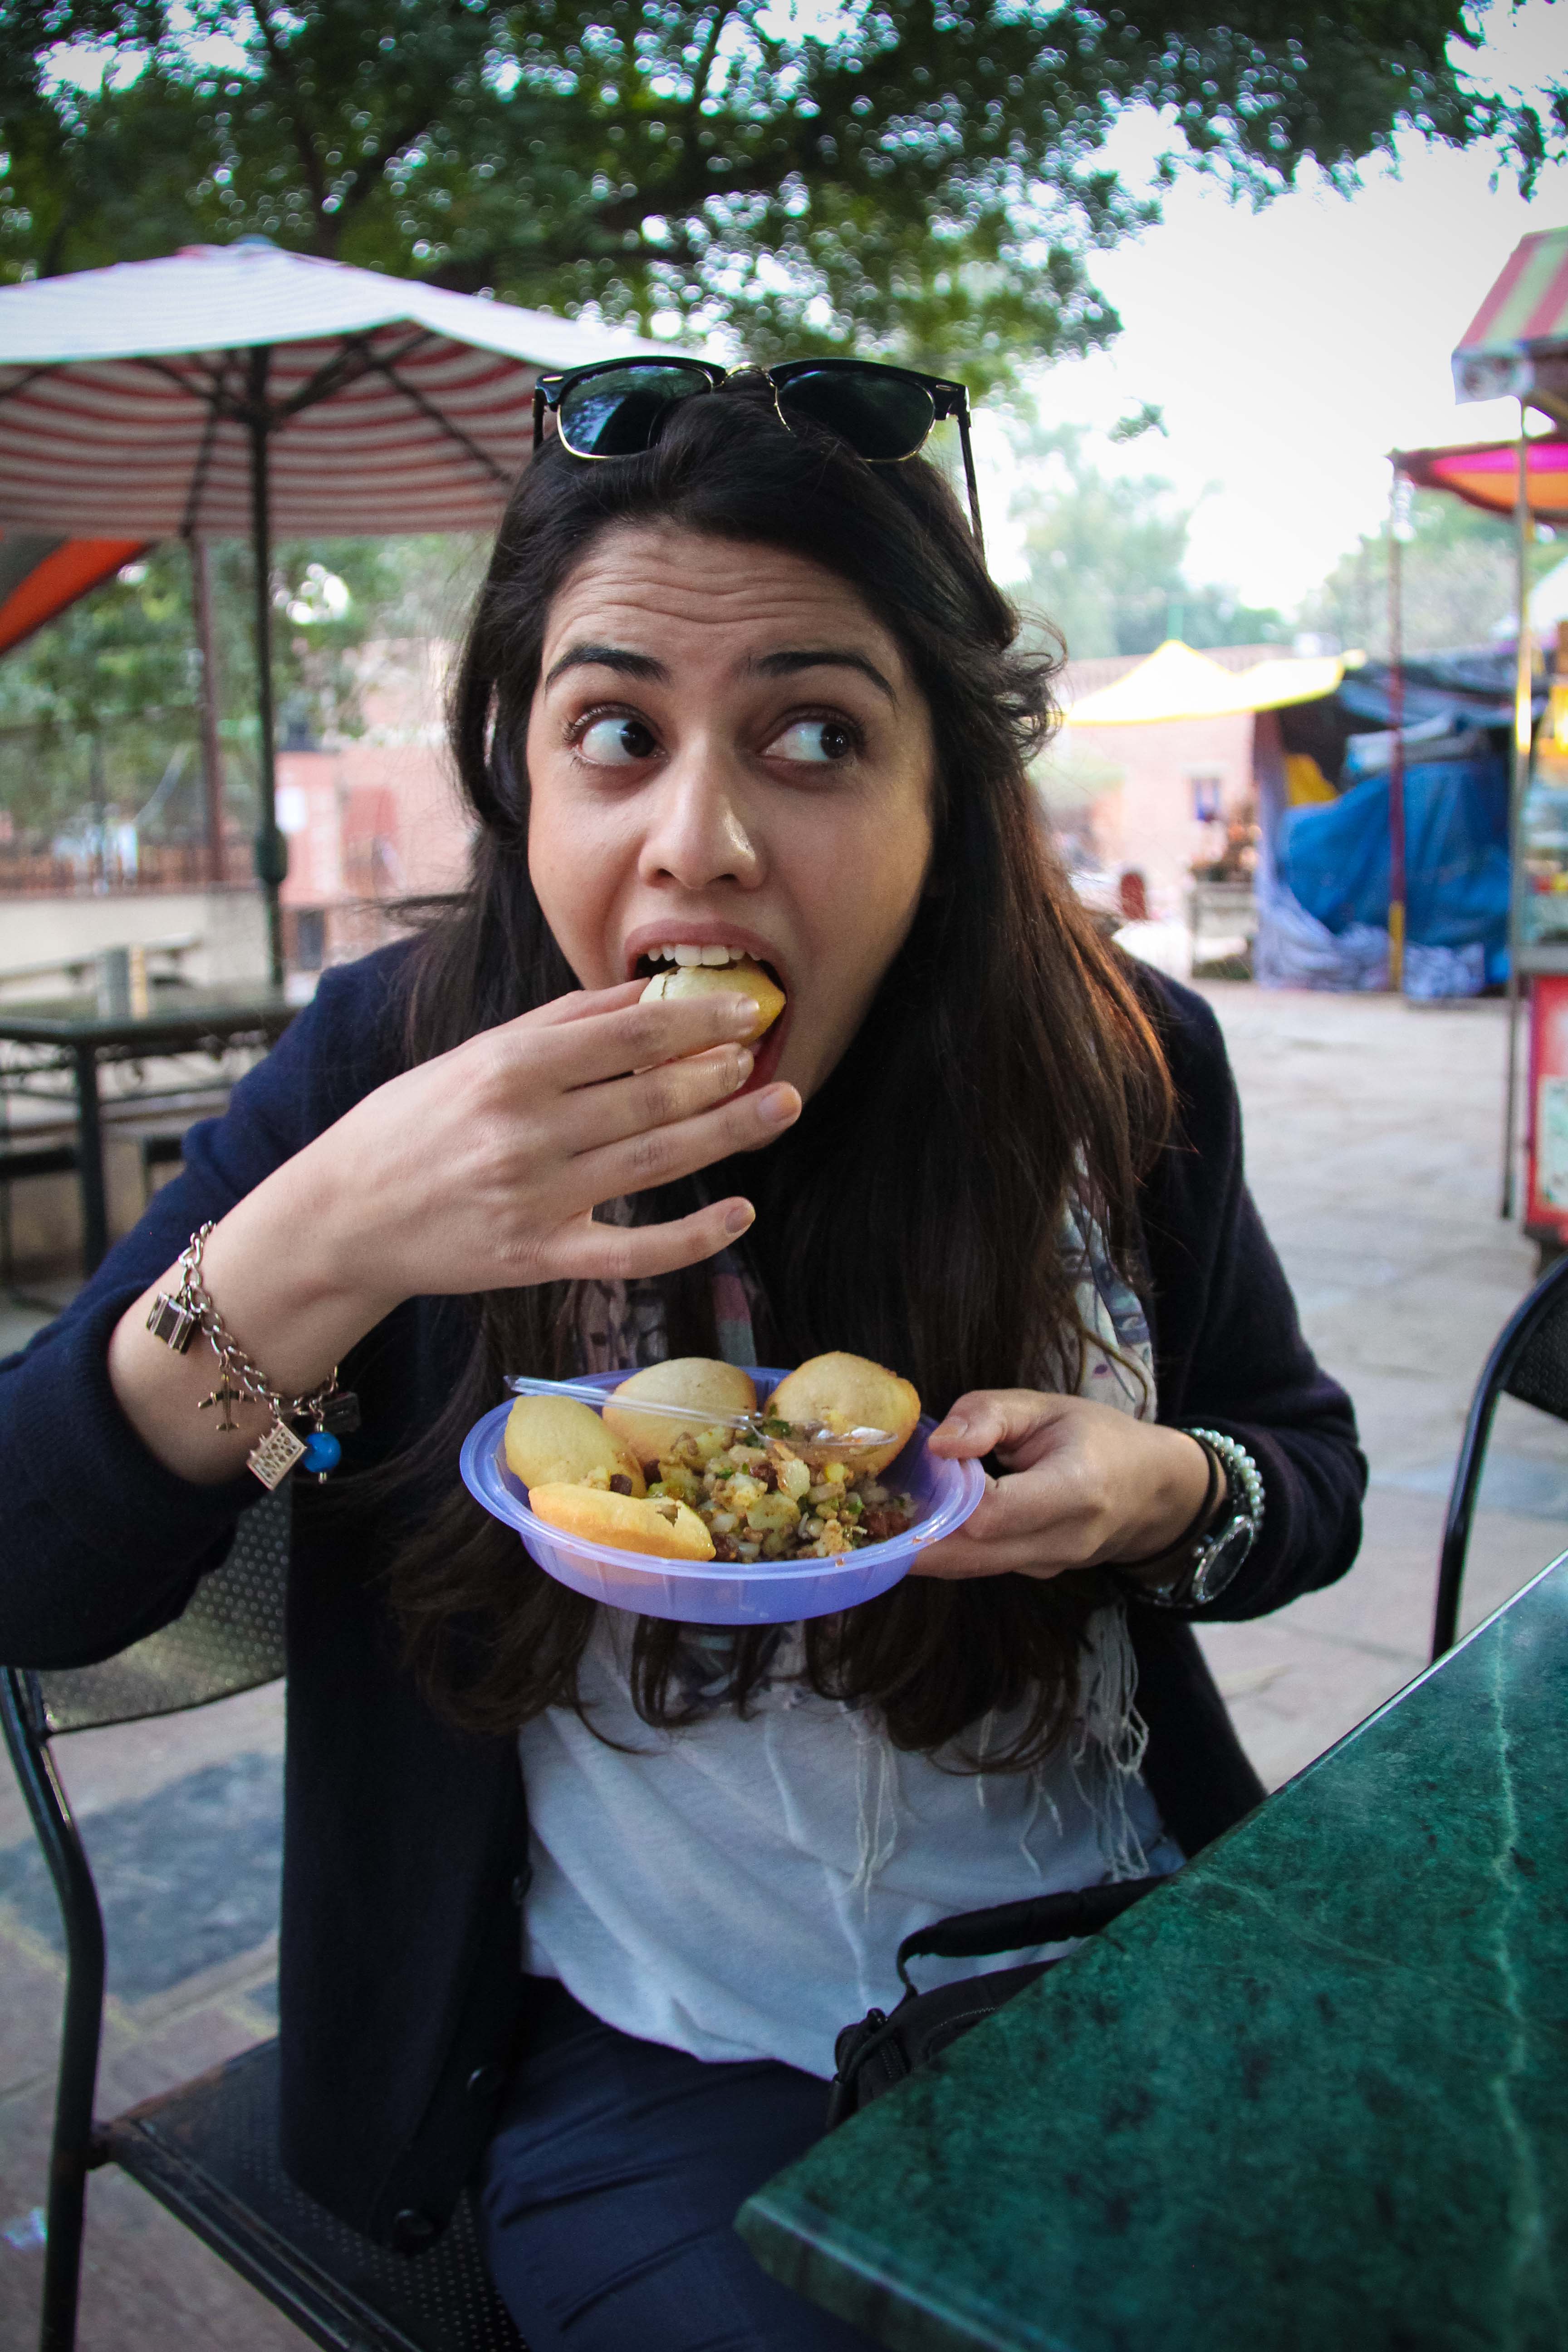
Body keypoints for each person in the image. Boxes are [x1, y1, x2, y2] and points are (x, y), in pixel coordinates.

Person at [0, 365, 1364, 2352]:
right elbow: (35, 1581)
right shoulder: (389, 1070)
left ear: (947, 794)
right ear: (521, 774)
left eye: (817, 735)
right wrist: (318, 1239)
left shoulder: (1121, 1066)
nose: (699, 843)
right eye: (616, 735)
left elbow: (1299, 1481)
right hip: (655, 2068)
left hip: (1112, 1957)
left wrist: (1172, 1492)